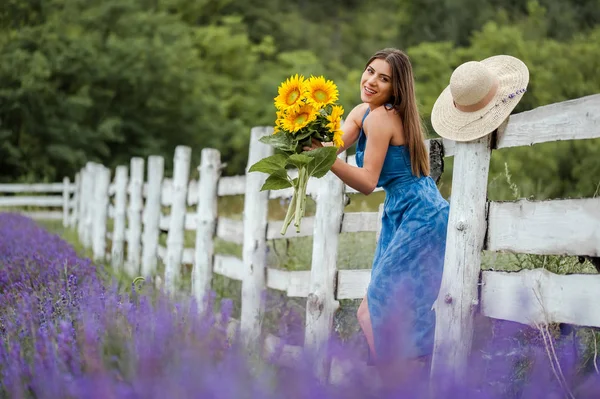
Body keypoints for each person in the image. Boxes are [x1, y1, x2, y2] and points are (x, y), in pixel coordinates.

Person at [303, 48, 449, 377]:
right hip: (401, 208)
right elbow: (333, 144)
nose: (371, 81)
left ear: (396, 90)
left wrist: (327, 162)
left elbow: (368, 182)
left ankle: (400, 384)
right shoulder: (362, 112)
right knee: (375, 310)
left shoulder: (383, 117)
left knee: (384, 309)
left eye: (383, 79)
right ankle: (401, 383)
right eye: (370, 71)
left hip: (421, 212)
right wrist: (303, 136)